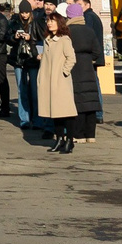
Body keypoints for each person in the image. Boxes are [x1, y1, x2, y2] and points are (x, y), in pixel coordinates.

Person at [36, 12, 79, 155]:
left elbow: (71, 58)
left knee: (66, 111)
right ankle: (60, 139)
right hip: (48, 80)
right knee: (55, 111)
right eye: (48, 21)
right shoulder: (47, 39)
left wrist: (63, 72)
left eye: (52, 21)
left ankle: (69, 140)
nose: (49, 23)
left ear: (59, 23)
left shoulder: (64, 39)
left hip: (60, 81)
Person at [65, 0, 104, 142]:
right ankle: (90, 135)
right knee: (90, 101)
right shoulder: (89, 30)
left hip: (74, 68)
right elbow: (97, 51)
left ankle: (79, 134)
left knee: (78, 100)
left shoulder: (67, 31)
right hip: (88, 67)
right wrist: (89, 60)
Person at [14, 0, 46, 130]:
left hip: (32, 59)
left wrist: (30, 38)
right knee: (21, 90)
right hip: (19, 60)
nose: (24, 15)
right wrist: (14, 37)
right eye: (22, 12)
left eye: (26, 12)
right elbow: (7, 38)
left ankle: (37, 119)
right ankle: (24, 119)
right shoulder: (15, 22)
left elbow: (42, 40)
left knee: (35, 90)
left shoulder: (36, 23)